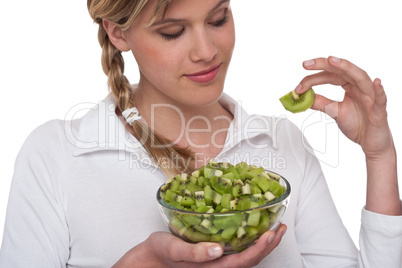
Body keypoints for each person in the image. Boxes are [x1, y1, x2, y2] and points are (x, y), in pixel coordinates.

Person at [0, 0, 401, 267]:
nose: (207, 50)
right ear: (117, 33)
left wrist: (379, 156)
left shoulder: (281, 141)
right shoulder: (56, 154)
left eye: (218, 18)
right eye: (173, 31)